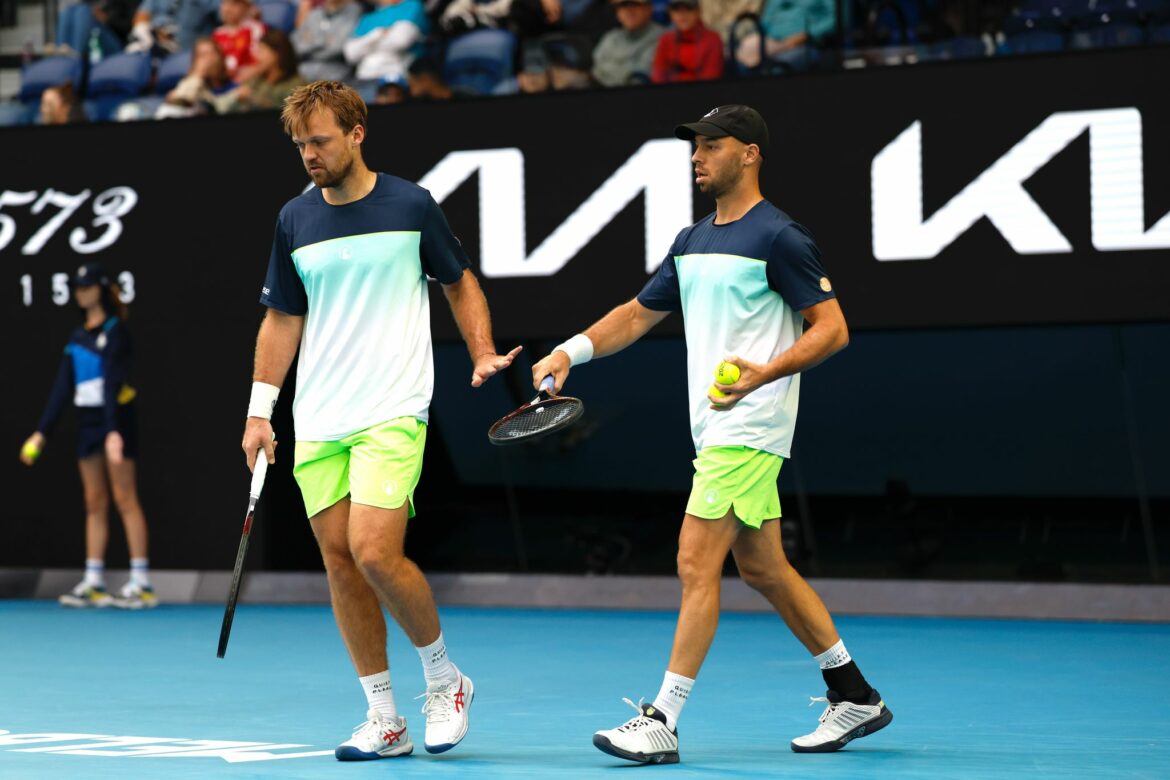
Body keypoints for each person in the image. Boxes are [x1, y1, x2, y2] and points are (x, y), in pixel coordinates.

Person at [531, 105, 892, 763]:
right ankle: (854, 692)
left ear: (749, 153)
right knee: (762, 567)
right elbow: (637, 316)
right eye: (694, 147)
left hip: (749, 426)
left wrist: (763, 375)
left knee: (697, 561)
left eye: (711, 145)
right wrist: (571, 350)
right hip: (720, 429)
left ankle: (662, 717)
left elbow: (832, 328)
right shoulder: (692, 240)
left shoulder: (781, 237)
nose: (697, 157)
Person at [240, 81, 520, 761]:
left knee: (373, 550)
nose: (309, 154)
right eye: (301, 143)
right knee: (340, 563)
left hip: (392, 409)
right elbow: (282, 318)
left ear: (357, 134)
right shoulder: (294, 220)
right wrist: (258, 411)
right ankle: (384, 717)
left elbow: (458, 281)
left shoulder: (410, 204)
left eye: (321, 140)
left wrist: (482, 351)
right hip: (319, 418)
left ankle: (445, 679)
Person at [21, 263, 156, 610]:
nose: (82, 293)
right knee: (94, 501)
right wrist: (41, 434)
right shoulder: (77, 337)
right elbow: (61, 389)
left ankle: (141, 583)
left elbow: (113, 384)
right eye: (78, 288)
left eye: (87, 286)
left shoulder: (116, 332)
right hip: (87, 423)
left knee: (125, 497)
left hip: (116, 420)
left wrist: (113, 431)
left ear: (100, 289)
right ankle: (94, 581)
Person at [215, 30, 306, 113]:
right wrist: (237, 96)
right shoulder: (255, 80)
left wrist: (256, 99)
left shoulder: (296, 85)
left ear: (278, 54)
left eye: (262, 50)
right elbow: (220, 106)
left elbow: (293, 116)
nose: (257, 56)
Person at [343, 0, 428, 83]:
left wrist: (366, 44)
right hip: (366, 78)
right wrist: (377, 34)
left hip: (401, 77)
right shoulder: (367, 18)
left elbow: (401, 40)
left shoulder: (411, 4)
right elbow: (351, 54)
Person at [156, 37, 233, 118]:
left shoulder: (234, 87)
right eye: (202, 55)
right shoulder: (192, 85)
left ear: (220, 57)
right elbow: (178, 102)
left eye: (211, 54)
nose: (207, 60)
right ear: (194, 61)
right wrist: (198, 75)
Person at [592, 0, 663, 87]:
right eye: (623, 6)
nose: (629, 11)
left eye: (635, 5)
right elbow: (595, 70)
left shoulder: (662, 36)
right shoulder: (611, 37)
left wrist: (607, 72)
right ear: (617, 14)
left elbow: (639, 77)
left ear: (649, 9)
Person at [650, 0, 723, 83]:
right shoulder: (666, 39)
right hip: (668, 93)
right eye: (676, 9)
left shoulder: (712, 39)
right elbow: (658, 76)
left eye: (688, 9)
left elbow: (710, 79)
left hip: (702, 93)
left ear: (698, 12)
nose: (682, 15)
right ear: (670, 14)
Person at [293, 0, 362, 83]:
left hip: (336, 77)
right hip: (304, 73)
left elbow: (338, 48)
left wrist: (312, 42)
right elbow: (295, 45)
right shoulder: (315, 14)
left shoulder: (354, 11)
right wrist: (325, 41)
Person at [127, 0, 221, 54]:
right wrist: (146, 32)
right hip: (153, 46)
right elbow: (141, 15)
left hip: (187, 53)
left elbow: (229, 16)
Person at [213, 0, 267, 82]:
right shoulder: (217, 34)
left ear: (246, 7)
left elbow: (266, 60)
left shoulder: (256, 29)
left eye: (234, 4)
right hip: (224, 83)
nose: (227, 9)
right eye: (224, 3)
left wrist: (255, 70)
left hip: (252, 82)